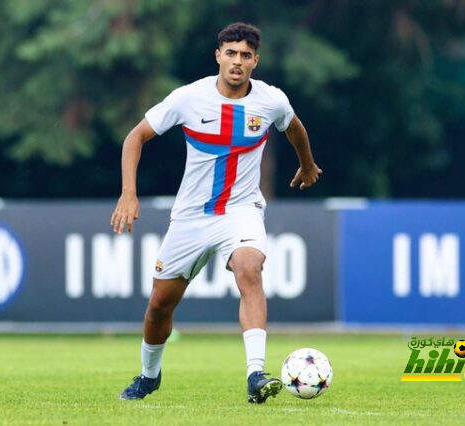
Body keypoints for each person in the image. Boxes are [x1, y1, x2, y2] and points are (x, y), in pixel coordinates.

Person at [110, 22, 322, 404]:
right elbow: (135, 137)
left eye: (245, 55)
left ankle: (256, 373)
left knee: (249, 268)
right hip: (191, 216)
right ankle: (149, 376)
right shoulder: (188, 98)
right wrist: (128, 193)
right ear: (218, 56)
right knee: (160, 306)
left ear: (255, 61)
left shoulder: (270, 100)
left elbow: (294, 128)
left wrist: (307, 165)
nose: (237, 62)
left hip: (241, 210)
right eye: (230, 53)